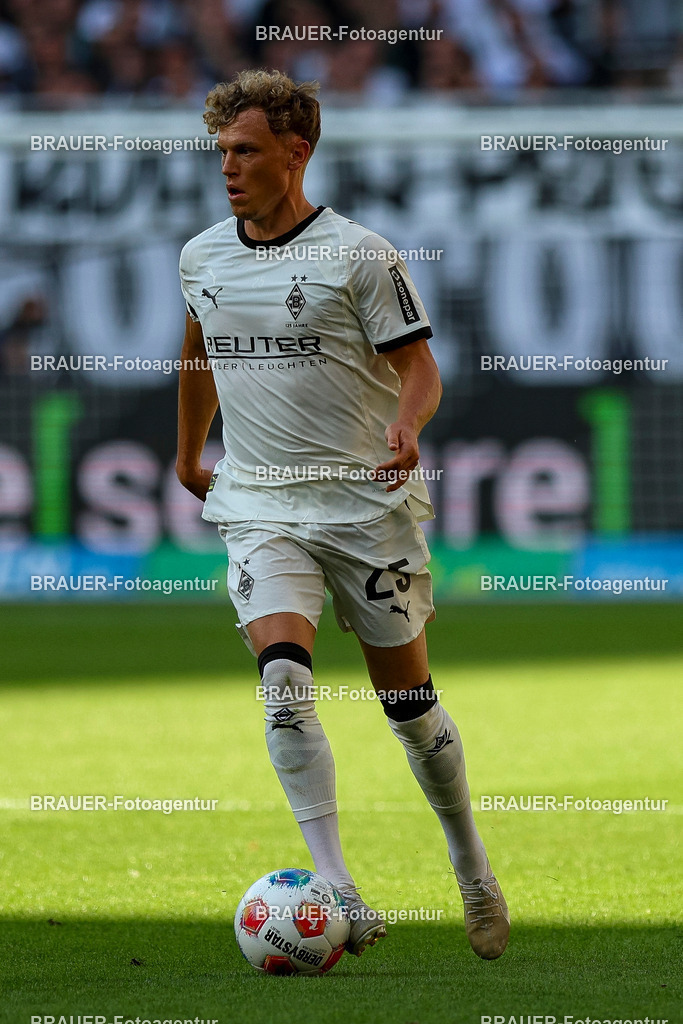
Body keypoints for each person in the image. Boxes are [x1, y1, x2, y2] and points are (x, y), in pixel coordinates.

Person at [176, 67, 509, 960]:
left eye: (246, 151)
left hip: (365, 506)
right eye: (222, 152)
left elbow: (419, 369)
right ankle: (338, 888)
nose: (229, 168)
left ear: (297, 152)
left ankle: (470, 862)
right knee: (284, 687)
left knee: (408, 705)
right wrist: (187, 450)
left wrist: (406, 425)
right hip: (259, 503)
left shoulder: (359, 255)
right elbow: (198, 351)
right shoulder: (201, 255)